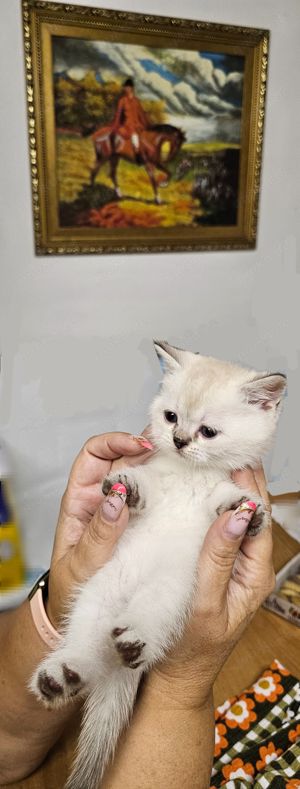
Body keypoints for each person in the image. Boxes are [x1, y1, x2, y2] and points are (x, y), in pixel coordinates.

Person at [0, 431, 274, 788]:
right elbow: (153, 480)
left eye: (207, 431)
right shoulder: (166, 456)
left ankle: (134, 638)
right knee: (98, 589)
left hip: (172, 563)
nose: (181, 438)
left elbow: (221, 498)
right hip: (127, 556)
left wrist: (236, 506)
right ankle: (80, 656)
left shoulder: (225, 473)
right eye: (172, 418)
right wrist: (134, 487)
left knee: (165, 588)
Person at [111, 77, 150, 161]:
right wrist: (115, 126)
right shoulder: (122, 101)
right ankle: (137, 154)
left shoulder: (136, 101)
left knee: (146, 137)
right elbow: (118, 115)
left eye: (127, 87)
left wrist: (147, 124)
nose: (126, 89)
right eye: (125, 87)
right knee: (134, 135)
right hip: (128, 125)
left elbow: (141, 114)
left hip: (138, 124)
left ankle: (146, 154)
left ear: (131, 88)